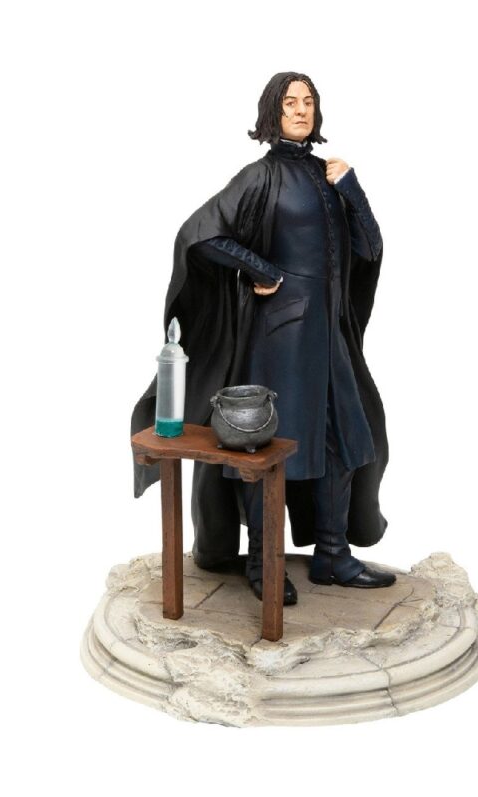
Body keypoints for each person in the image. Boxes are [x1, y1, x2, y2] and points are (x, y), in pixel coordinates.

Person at [132, 72, 395, 604]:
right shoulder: (260, 176)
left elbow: (369, 247)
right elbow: (199, 233)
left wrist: (352, 187)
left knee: (346, 438)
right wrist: (259, 268)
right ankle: (260, 560)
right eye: (290, 102)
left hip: (330, 337)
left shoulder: (329, 175)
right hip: (280, 338)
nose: (300, 110)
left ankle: (333, 554)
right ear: (272, 112)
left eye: (308, 101)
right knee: (265, 446)